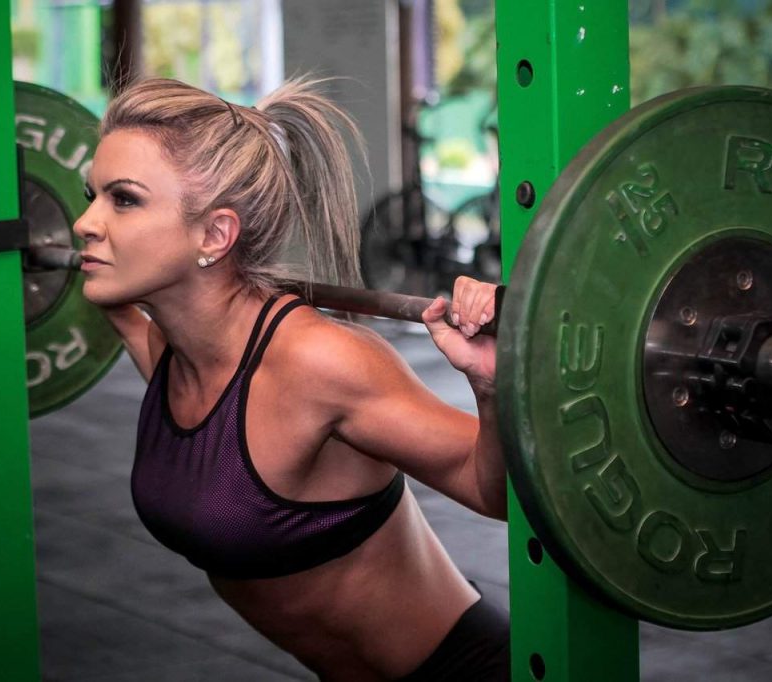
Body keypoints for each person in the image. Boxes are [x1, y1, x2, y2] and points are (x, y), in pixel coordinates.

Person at [73, 77, 508, 682]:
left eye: (123, 200)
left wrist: (489, 386)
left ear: (215, 235)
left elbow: (492, 492)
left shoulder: (320, 362)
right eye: (88, 195)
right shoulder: (173, 348)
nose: (83, 223)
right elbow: (134, 332)